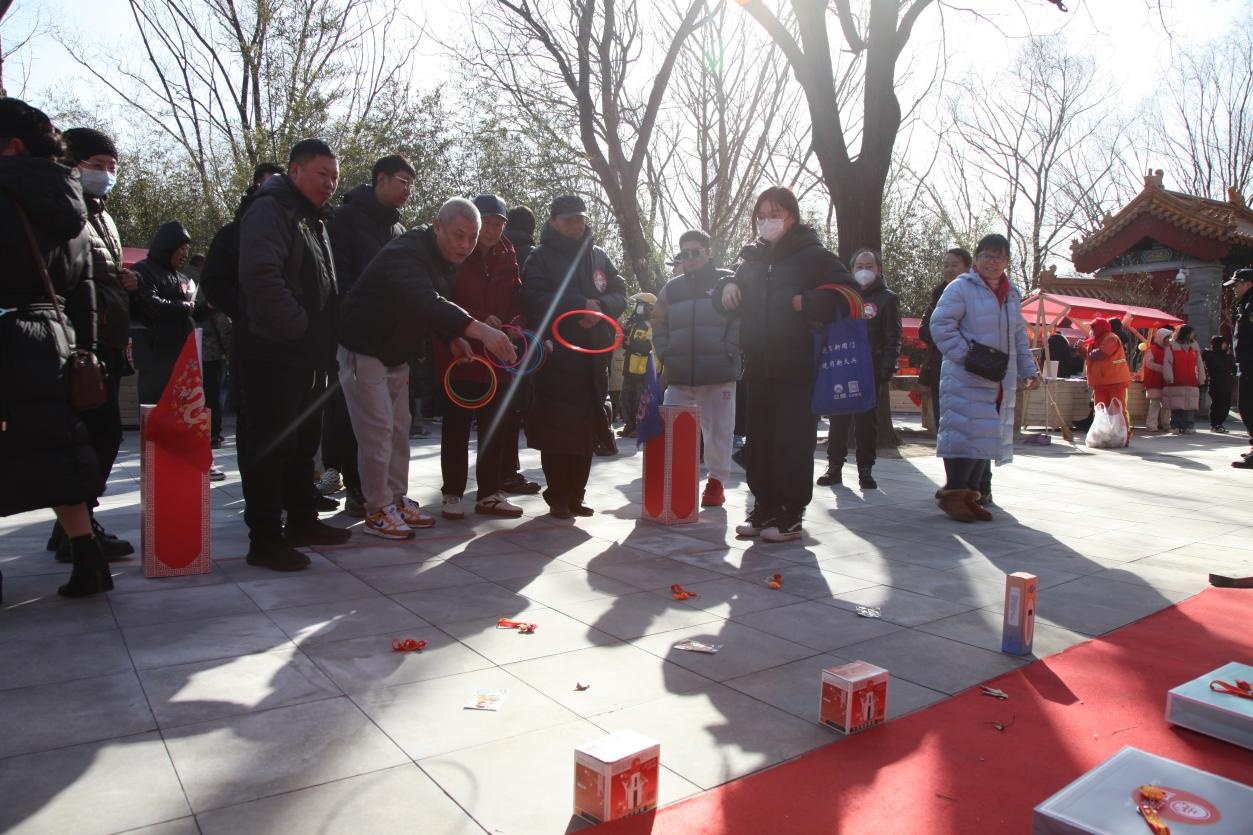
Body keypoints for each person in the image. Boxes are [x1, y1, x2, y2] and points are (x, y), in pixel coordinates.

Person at [340, 197, 514, 538]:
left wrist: (452, 337)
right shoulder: (407, 253)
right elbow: (424, 299)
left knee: (399, 429)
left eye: (472, 237)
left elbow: (431, 306)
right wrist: (482, 331)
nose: (465, 245)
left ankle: (395, 499)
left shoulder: (443, 258)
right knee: (377, 431)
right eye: (458, 235)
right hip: (364, 346)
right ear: (437, 227)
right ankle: (377, 509)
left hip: (397, 351)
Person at [0, 97, 109, 598]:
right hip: (57, 338)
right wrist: (87, 350)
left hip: (6, 331)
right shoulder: (73, 207)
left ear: (13, 146)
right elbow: (85, 289)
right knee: (60, 450)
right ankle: (88, 558)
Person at [235, 139, 351, 571]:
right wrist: (300, 328)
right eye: (322, 174)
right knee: (271, 445)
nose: (330, 183)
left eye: (334, 177)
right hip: (274, 351)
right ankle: (265, 538)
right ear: (295, 170)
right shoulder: (271, 209)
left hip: (309, 355)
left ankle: (302, 520)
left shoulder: (313, 217)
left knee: (303, 443)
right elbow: (261, 277)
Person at [715, 185, 848, 542]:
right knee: (759, 439)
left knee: (793, 440)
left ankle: (790, 513)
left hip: (798, 365)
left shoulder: (814, 256)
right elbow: (727, 295)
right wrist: (727, 286)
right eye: (761, 215)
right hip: (758, 364)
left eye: (775, 214)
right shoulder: (751, 259)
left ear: (792, 216)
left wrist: (809, 302)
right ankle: (764, 506)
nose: (767, 221)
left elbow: (849, 295)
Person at [42, 126, 139, 561]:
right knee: (90, 437)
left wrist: (129, 284)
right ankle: (77, 530)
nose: (106, 175)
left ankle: (73, 526)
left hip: (109, 339)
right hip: (81, 344)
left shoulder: (104, 216)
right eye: (97, 165)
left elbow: (103, 272)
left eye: (112, 167)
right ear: (70, 164)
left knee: (103, 436)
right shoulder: (62, 212)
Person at [523, 194, 627, 519]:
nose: (575, 225)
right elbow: (533, 297)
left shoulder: (598, 256)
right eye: (568, 219)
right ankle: (558, 496)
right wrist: (578, 304)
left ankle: (576, 495)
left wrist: (601, 308)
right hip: (556, 358)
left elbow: (620, 292)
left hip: (593, 358)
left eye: (580, 218)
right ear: (553, 221)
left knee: (586, 430)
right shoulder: (538, 258)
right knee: (557, 431)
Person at [323, 154, 413, 516]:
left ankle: (391, 495)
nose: (407, 189)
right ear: (380, 179)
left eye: (411, 184)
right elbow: (337, 277)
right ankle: (359, 491)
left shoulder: (398, 230)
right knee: (356, 420)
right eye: (402, 181)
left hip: (391, 341)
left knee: (395, 425)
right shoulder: (345, 218)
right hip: (356, 338)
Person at [929, 233, 1039, 523]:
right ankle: (953, 494)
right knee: (963, 434)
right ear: (977, 259)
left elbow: (1019, 336)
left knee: (984, 436)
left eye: (999, 257)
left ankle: (969, 495)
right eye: (987, 256)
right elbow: (940, 325)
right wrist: (968, 356)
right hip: (965, 376)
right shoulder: (960, 287)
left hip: (997, 377)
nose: (993, 262)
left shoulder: (1011, 293)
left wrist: (1029, 370)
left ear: (1007, 261)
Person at [434, 195, 527, 520]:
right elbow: (441, 299)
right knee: (456, 426)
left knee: (494, 427)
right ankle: (452, 492)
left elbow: (519, 297)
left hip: (497, 356)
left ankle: (489, 493)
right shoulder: (456, 251)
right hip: (461, 353)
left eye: (498, 224)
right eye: (486, 222)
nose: (492, 230)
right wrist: (478, 318)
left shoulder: (509, 254)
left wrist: (515, 324)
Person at [651, 229, 740, 507]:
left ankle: (716, 483)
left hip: (718, 372)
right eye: (684, 253)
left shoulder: (727, 280)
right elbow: (658, 321)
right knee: (670, 428)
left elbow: (740, 320)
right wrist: (665, 351)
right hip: (679, 374)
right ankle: (676, 481)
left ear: (708, 253)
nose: (689, 258)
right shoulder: (671, 289)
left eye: (695, 252)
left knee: (718, 432)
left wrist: (729, 349)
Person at [817, 248, 901, 490]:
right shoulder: (842, 297)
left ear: (879, 269)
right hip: (842, 367)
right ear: (851, 270)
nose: (864, 271)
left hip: (870, 371)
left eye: (869, 266)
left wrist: (885, 368)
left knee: (866, 423)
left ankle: (865, 470)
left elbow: (893, 337)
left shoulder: (887, 299)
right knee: (838, 420)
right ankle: (834, 467)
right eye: (859, 266)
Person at [131, 220, 199, 405]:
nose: (185, 253)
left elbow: (192, 311)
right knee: (153, 407)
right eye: (182, 248)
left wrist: (207, 307)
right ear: (169, 245)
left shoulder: (182, 277)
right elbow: (151, 304)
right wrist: (184, 307)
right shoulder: (143, 270)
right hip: (154, 355)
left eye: (187, 249)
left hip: (182, 357)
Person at [918, 248, 972, 434]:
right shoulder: (938, 294)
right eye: (946, 265)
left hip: (967, 366)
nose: (949, 269)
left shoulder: (976, 294)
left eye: (954, 265)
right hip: (939, 366)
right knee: (943, 422)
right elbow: (924, 330)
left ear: (967, 268)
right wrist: (942, 335)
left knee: (965, 424)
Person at [1083, 318, 1132, 445]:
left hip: (1115, 381)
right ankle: (1104, 438)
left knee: (1117, 410)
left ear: (1099, 328)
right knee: (1100, 411)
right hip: (1102, 382)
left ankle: (1123, 437)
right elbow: (1091, 356)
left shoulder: (1111, 338)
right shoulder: (1096, 340)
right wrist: (1083, 350)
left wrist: (1086, 350)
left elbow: (1100, 354)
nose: (1091, 330)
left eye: (1092, 327)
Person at [617, 292, 657, 438]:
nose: (637, 307)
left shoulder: (650, 325)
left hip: (642, 368)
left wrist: (628, 343)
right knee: (625, 397)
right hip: (630, 366)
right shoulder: (634, 323)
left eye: (640, 304)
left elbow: (648, 346)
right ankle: (629, 425)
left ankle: (639, 427)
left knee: (638, 399)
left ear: (649, 308)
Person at [1226, 268, 1253, 468]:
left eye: (1237, 284)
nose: (1234, 288)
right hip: (1246, 363)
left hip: (1251, 364)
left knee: (1248, 406)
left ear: (1248, 284)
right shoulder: (1246, 304)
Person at [1163, 324, 1206, 435]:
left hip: (1192, 379)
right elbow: (1167, 363)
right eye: (1191, 332)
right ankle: (1175, 425)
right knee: (1176, 405)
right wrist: (1169, 377)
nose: (1193, 334)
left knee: (1190, 405)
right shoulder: (1171, 345)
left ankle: (1188, 426)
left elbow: (1199, 363)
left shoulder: (1195, 346)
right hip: (1177, 379)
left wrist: (1201, 378)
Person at [1141, 326, 1174, 432]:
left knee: (1166, 404)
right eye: (1166, 337)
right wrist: (1164, 368)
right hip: (1154, 380)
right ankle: (1152, 424)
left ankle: (1166, 424)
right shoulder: (1152, 349)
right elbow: (1148, 363)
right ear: (1161, 337)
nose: (1168, 340)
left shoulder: (1169, 349)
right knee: (1155, 403)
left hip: (1165, 380)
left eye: (1169, 337)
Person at [1203, 334, 1235, 433]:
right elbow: (1219, 367)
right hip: (1216, 384)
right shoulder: (1211, 355)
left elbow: (1231, 368)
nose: (1226, 345)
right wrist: (1227, 356)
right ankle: (1214, 425)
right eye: (1224, 343)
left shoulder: (1227, 355)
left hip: (1226, 384)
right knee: (1217, 406)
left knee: (1226, 406)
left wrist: (1229, 356)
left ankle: (1219, 424)